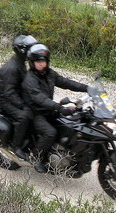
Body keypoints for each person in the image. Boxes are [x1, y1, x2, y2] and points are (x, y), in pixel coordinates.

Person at [22, 43, 88, 173]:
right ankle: (35, 158)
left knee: (71, 124)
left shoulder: (49, 73)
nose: (41, 64)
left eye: (43, 61)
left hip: (48, 110)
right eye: (38, 61)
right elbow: (39, 97)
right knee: (50, 133)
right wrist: (58, 107)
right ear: (32, 62)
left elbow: (66, 82)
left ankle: (63, 153)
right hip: (35, 113)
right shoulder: (30, 78)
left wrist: (87, 88)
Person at [0, 35, 37, 161]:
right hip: (5, 100)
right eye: (30, 49)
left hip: (15, 95)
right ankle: (16, 146)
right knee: (24, 116)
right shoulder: (12, 68)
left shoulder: (20, 62)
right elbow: (9, 93)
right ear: (22, 51)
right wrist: (23, 105)